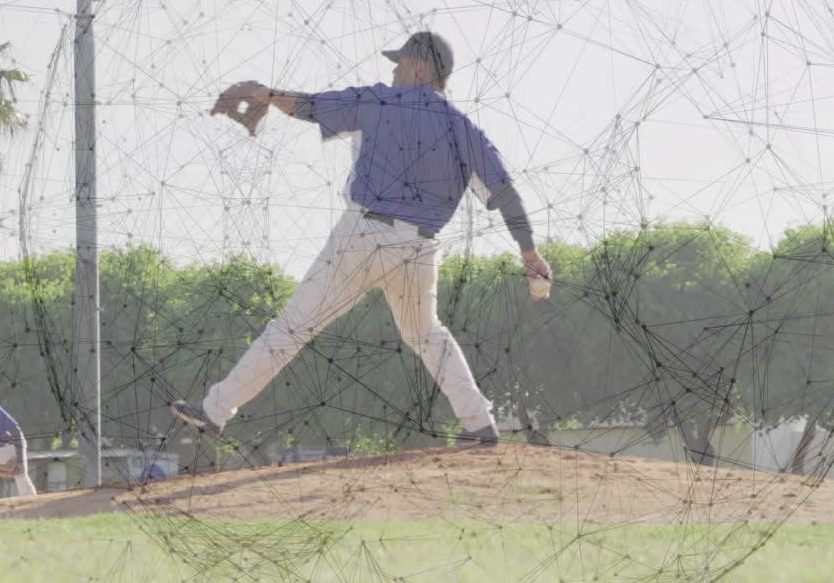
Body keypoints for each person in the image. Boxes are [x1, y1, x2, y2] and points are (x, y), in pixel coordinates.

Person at [172, 31, 551, 447]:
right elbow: (506, 194)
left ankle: (215, 411)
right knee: (427, 334)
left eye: (400, 63)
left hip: (364, 236)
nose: (392, 70)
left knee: (292, 328)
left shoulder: (380, 101)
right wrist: (529, 253)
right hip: (420, 249)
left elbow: (310, 106)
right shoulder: (464, 129)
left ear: (420, 68)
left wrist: (264, 93)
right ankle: (480, 424)